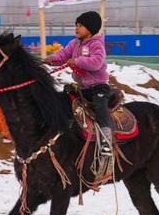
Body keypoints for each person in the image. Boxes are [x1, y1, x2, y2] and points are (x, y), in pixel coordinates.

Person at [43, 11, 113, 160]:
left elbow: (96, 63)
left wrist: (77, 61)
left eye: (80, 25)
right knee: (64, 100)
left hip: (98, 87)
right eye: (76, 25)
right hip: (82, 88)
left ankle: (106, 140)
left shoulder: (97, 44)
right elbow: (63, 54)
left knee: (100, 106)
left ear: (91, 28)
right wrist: (50, 59)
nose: (76, 28)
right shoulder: (74, 43)